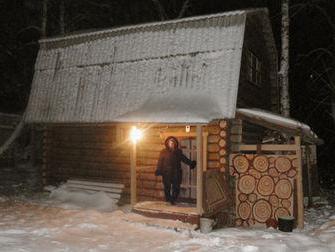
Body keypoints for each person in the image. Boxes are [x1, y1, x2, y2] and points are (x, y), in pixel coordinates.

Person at [155, 136, 196, 205]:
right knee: (167, 187)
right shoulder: (163, 152)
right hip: (166, 173)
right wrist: (159, 169)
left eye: (173, 143)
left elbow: (184, 159)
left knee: (176, 187)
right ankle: (168, 199)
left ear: (175, 143)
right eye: (170, 142)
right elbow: (160, 161)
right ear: (167, 143)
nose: (171, 144)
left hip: (176, 172)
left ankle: (173, 200)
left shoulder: (178, 152)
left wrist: (191, 163)